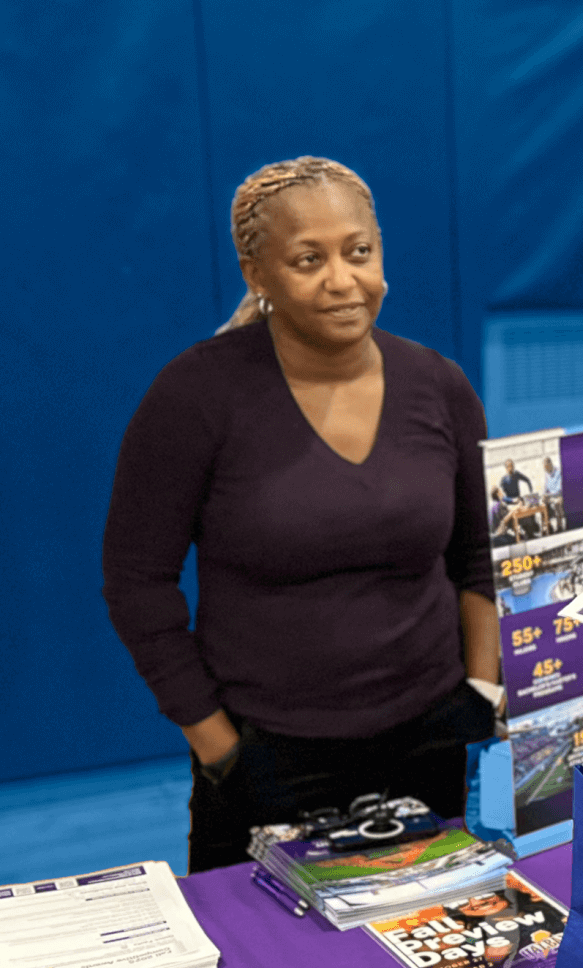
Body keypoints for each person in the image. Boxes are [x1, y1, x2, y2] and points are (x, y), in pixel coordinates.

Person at [102, 156, 503, 875]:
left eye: (360, 252)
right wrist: (222, 751)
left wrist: (481, 691)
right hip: (269, 755)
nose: (343, 280)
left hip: (433, 743)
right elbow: (137, 583)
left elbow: (481, 555)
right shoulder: (195, 396)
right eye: (307, 260)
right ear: (257, 273)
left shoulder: (438, 385)